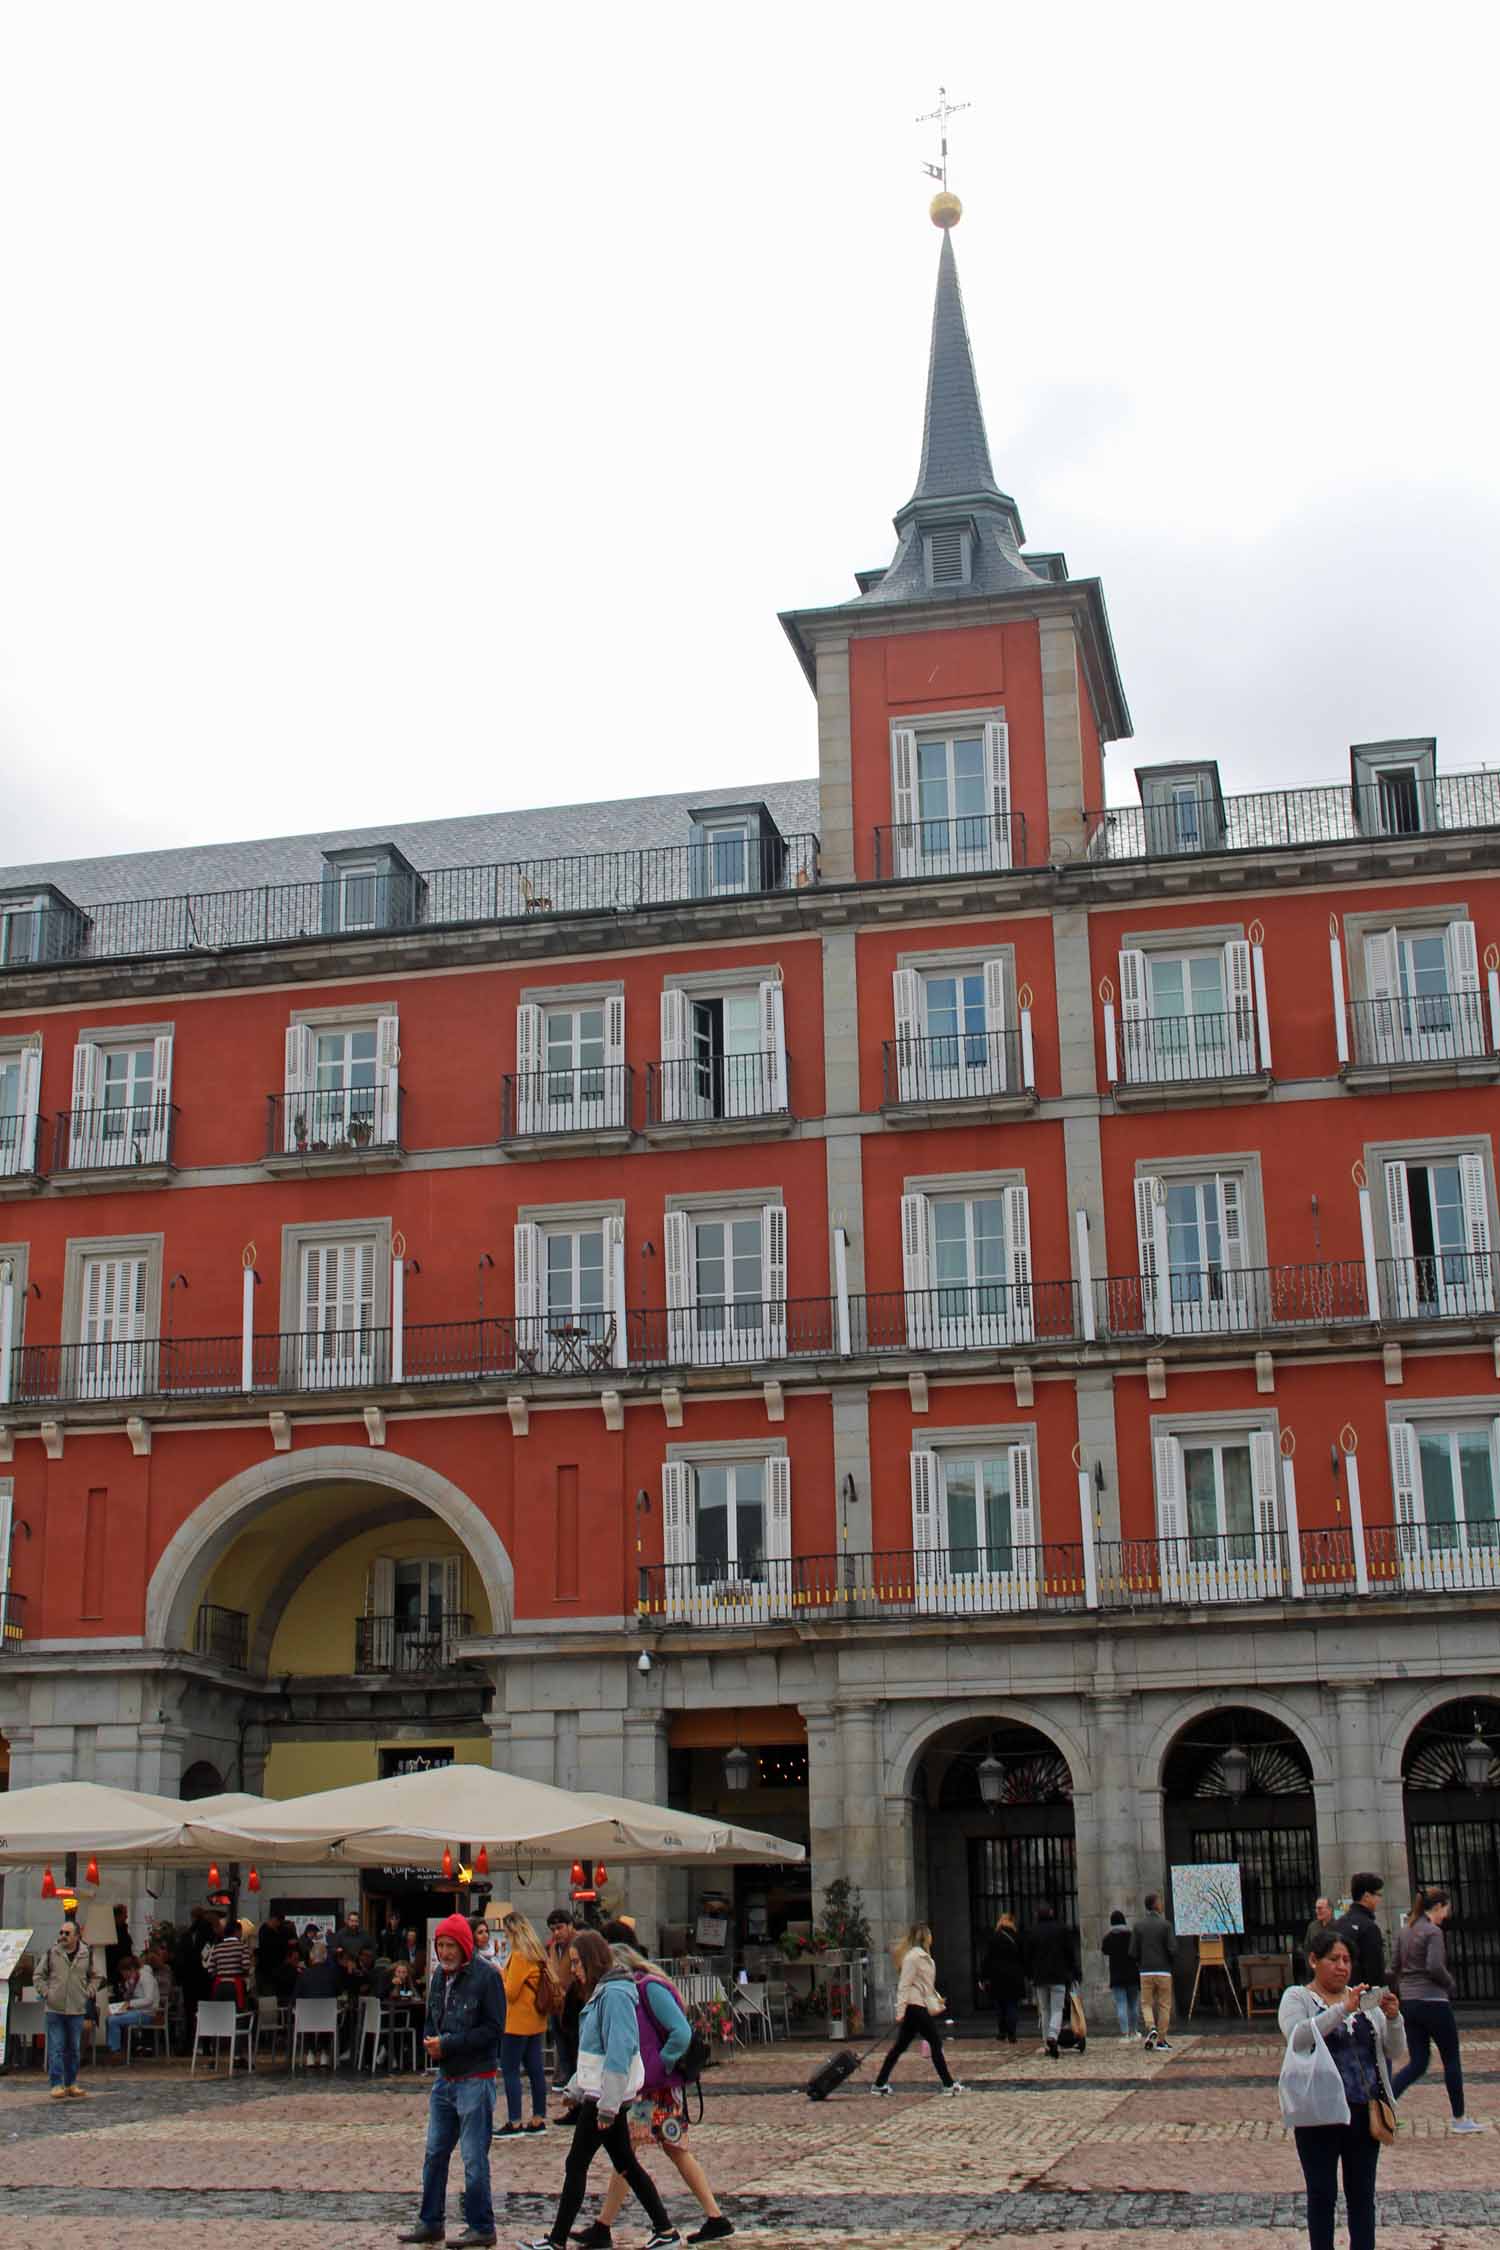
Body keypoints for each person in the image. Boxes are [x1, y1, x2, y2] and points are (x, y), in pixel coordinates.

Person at [514, 1928, 679, 2250]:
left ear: (591, 1960)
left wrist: (607, 2105)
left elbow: (618, 2051)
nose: (573, 1969)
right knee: (625, 2163)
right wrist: (576, 2088)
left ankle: (557, 2240)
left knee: (578, 2164)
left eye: (576, 1962)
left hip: (605, 2096)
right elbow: (596, 2053)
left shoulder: (614, 1994)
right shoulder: (606, 1991)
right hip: (601, 2093)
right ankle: (665, 2230)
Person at [579, 1936, 733, 2246]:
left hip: (657, 2088)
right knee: (633, 2153)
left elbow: (681, 2031)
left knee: (647, 2152)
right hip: (646, 2088)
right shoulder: (629, 1989)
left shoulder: (648, 1987)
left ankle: (712, 2218)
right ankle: (604, 2225)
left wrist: (660, 2065)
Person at [1279, 1925, 1406, 2250]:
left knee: (1362, 2196)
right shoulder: (1298, 1998)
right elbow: (1299, 2037)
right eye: (1333, 1959)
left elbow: (1394, 2051)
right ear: (1313, 1960)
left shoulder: (1364, 2003)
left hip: (1364, 2112)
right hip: (1318, 2114)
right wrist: (1341, 2009)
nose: (1342, 1966)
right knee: (1322, 2196)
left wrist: (1393, 2018)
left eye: (1347, 1959)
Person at [397, 1911, 505, 2250]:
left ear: (464, 1945)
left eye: (450, 1945)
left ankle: (481, 2225)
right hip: (446, 2078)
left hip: (476, 2075)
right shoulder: (438, 1978)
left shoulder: (486, 1978)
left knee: (473, 2157)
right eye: (440, 1945)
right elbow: (432, 2017)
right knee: (435, 2153)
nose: (444, 1952)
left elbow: (493, 2029)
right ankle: (430, 2221)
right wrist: (431, 2040)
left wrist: (449, 2044)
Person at [1390, 1886, 1482, 2131]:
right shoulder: (1432, 1932)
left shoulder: (1404, 1932)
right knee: (1451, 2058)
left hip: (1409, 2003)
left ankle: (1385, 2105)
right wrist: (1449, 1983)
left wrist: (1404, 1988)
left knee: (1418, 2062)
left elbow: (1394, 1965)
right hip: (1433, 2001)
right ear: (1438, 1906)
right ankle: (1459, 2118)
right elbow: (1434, 1966)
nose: (1446, 1915)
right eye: (1446, 1909)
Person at [871, 1923, 964, 2094]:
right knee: (935, 2042)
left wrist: (935, 2001)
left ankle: (879, 2083)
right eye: (930, 1934)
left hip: (917, 2006)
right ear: (925, 1936)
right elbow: (904, 1985)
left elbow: (925, 1986)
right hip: (914, 2007)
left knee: (900, 2046)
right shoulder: (913, 1958)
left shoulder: (921, 1957)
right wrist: (900, 2012)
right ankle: (948, 2084)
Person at [499, 1911, 551, 2137]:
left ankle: (515, 2121)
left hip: (516, 2022)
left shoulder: (519, 1955)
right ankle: (538, 2118)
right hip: (535, 2020)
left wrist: (499, 1976)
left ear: (512, 1931)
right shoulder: (537, 1953)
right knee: (535, 2070)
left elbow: (510, 1992)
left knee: (510, 2070)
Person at [35, 1919, 98, 2099]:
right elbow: (38, 1975)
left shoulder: (87, 1954)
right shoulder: (51, 1953)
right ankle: (56, 2084)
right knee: (56, 2046)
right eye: (61, 1932)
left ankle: (71, 2083)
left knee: (74, 2048)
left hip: (76, 2008)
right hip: (55, 2008)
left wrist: (88, 1991)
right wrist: (47, 1993)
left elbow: (97, 1976)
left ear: (77, 1936)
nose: (62, 1936)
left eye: (67, 1933)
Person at [1024, 1901, 1081, 2060]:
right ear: (1051, 1913)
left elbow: (1027, 1956)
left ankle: (1046, 2044)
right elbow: (1069, 1952)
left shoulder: (1032, 1931)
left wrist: (1030, 1975)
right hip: (1058, 1975)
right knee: (1057, 2009)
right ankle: (1053, 2036)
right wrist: (1073, 1970)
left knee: (1045, 2010)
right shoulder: (1061, 1929)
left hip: (1040, 1977)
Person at [1130, 1892, 1177, 2054]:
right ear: (1156, 1905)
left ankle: (1151, 2026)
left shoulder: (1138, 1926)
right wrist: (1169, 1963)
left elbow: (1133, 1951)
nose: (1162, 1904)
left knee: (1146, 2003)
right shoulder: (1166, 1925)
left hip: (1145, 1970)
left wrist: (1140, 1963)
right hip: (1163, 1970)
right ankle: (1162, 2040)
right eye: (1160, 1902)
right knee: (1164, 2005)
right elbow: (1172, 1949)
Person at [547, 1908, 583, 2087]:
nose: (556, 1933)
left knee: (575, 2046)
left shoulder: (579, 1942)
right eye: (553, 1929)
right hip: (556, 2005)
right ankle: (568, 2081)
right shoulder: (553, 1947)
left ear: (570, 1926)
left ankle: (578, 2083)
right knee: (562, 2047)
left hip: (575, 2004)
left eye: (559, 1928)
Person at [979, 1912, 1026, 2044]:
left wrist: (983, 1977)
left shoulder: (994, 1938)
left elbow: (987, 1959)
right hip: (1014, 1977)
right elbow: (1023, 1958)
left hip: (997, 1977)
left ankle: (1001, 2032)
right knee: (1012, 2005)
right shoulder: (1017, 1937)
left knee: (1000, 2006)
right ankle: (1012, 2033)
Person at [295, 1940, 341, 2068]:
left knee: (309, 2012)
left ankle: (309, 2053)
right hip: (327, 2020)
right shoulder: (333, 1974)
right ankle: (324, 2053)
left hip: (306, 2020)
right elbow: (338, 1992)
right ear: (325, 1957)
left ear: (311, 1956)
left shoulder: (303, 1975)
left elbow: (296, 1997)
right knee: (327, 2013)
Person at [1334, 1875, 1387, 1989]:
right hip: (1363, 1994)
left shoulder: (1339, 1923)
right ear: (1367, 1896)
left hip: (1341, 1991)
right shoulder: (1369, 1927)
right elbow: (1375, 1969)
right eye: (1378, 1895)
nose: (1379, 1900)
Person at [104, 1952, 160, 2058]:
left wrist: (129, 2004)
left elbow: (149, 2000)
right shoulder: (131, 1980)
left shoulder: (146, 1978)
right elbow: (130, 1998)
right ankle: (116, 2048)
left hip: (147, 2013)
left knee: (113, 2020)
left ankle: (116, 2051)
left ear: (131, 1969)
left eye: (124, 1972)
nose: (123, 1975)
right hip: (135, 2010)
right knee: (108, 2015)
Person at [1102, 1910, 1141, 2041]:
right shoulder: (1131, 1936)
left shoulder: (1108, 1938)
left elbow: (1104, 1950)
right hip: (1132, 1975)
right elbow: (1137, 1952)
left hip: (1117, 1976)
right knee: (1133, 2005)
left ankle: (1124, 2034)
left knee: (1121, 2005)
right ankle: (1134, 2031)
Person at [206, 1918, 252, 2008]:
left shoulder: (217, 1947)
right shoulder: (242, 1946)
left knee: (221, 2013)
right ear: (237, 1931)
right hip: (235, 1985)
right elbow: (246, 1966)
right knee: (235, 2014)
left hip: (219, 1985)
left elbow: (210, 1970)